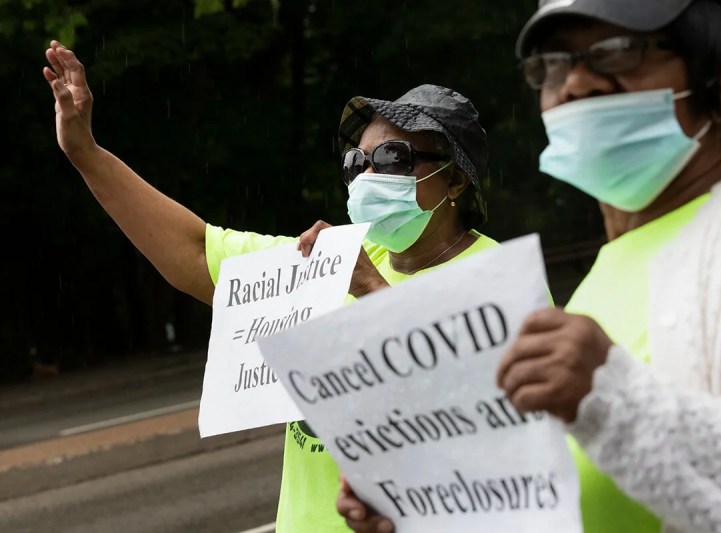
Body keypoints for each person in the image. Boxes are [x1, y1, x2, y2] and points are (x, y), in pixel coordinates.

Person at [337, 1, 721, 532]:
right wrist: (425, 505)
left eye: (619, 51)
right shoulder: (605, 274)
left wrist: (612, 398)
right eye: (554, 64)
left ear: (719, 90)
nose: (576, 83)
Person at [43, 42, 498, 531]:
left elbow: (492, 431)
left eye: (392, 157)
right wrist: (85, 153)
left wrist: (373, 292)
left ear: (454, 181)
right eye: (355, 163)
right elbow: (194, 252)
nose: (367, 176)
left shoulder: (495, 275)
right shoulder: (333, 263)